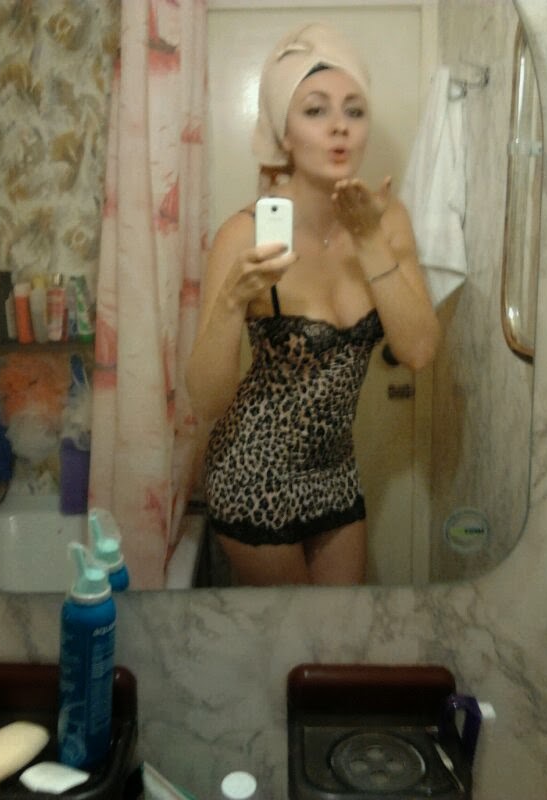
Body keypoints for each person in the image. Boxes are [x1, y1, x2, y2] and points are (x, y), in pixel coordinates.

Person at [186, 22, 439, 586]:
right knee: (294, 636)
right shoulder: (243, 234)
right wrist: (230, 302)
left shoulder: (387, 221)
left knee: (342, 631)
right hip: (252, 473)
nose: (339, 126)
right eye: (316, 110)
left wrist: (369, 239)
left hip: (335, 471)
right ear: (284, 132)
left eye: (354, 110)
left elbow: (419, 351)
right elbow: (206, 399)